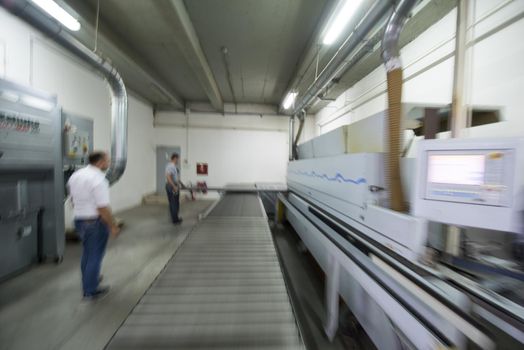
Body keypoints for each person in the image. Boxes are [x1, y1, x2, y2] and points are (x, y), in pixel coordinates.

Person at [67, 151, 120, 300]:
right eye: (107, 160)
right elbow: (102, 207)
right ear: (101, 162)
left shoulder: (75, 176)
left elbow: (72, 199)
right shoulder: (99, 179)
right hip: (94, 222)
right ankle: (90, 289)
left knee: (87, 253)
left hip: (79, 220)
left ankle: (88, 280)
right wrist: (113, 226)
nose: (109, 163)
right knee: (95, 255)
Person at [165, 153, 183, 224]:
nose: (178, 160)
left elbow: (176, 178)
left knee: (176, 202)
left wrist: (182, 184)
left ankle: (176, 218)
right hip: (171, 186)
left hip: (173, 185)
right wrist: (174, 186)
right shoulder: (170, 166)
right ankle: (175, 220)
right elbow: (168, 177)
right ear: (175, 158)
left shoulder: (174, 167)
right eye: (178, 159)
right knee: (173, 203)